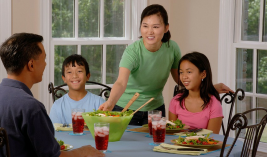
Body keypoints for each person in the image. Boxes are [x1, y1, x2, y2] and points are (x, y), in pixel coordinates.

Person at [0, 33, 104, 157]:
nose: (45, 64)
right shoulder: (31, 107)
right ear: (31, 65)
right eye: (44, 59)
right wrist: (82, 152)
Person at [98, 4, 232, 126]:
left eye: (155, 27)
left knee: (156, 148)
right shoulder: (132, 52)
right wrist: (110, 103)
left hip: (155, 110)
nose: (150, 31)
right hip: (125, 109)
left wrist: (209, 87)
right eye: (145, 26)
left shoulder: (172, 48)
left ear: (166, 28)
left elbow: (181, 79)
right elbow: (121, 82)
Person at [169, 52, 223, 134]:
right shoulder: (176, 101)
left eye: (189, 72)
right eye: (181, 72)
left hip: (202, 146)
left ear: (203, 74)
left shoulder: (214, 105)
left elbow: (212, 138)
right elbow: (171, 134)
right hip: (177, 146)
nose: (184, 77)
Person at [49, 54, 105, 125]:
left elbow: (105, 129)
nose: (75, 76)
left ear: (87, 76)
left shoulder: (99, 103)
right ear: (64, 78)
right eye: (69, 72)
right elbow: (53, 133)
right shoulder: (57, 106)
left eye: (79, 71)